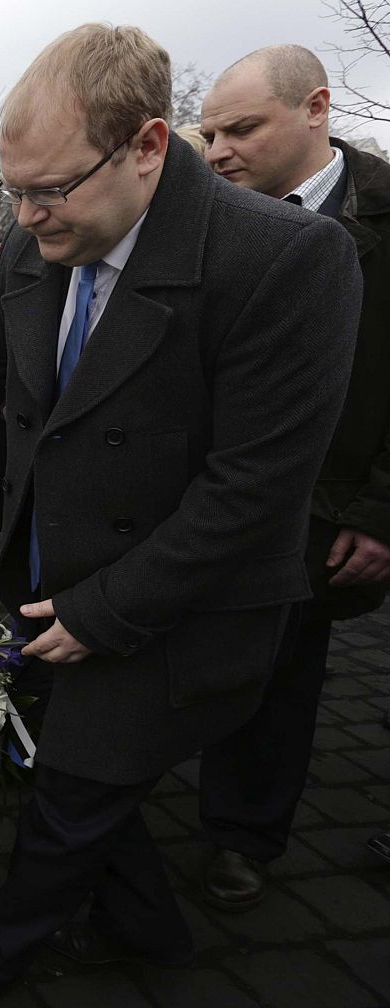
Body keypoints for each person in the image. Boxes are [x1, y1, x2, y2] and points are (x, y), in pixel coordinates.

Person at [0, 25, 360, 1008]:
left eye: (49, 190)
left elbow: (254, 486)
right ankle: (152, 931)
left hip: (180, 600)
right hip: (55, 576)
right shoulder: (43, 245)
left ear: (144, 144)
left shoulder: (286, 259)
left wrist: (106, 608)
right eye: (13, 191)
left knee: (71, 792)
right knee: (63, 758)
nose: (26, 215)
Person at [195, 45, 390, 910]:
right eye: (207, 134)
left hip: (326, 507)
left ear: (315, 109)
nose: (219, 151)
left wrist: (383, 509)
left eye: (241, 128)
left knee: (284, 673)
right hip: (213, 488)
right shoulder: (208, 216)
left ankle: (243, 835)